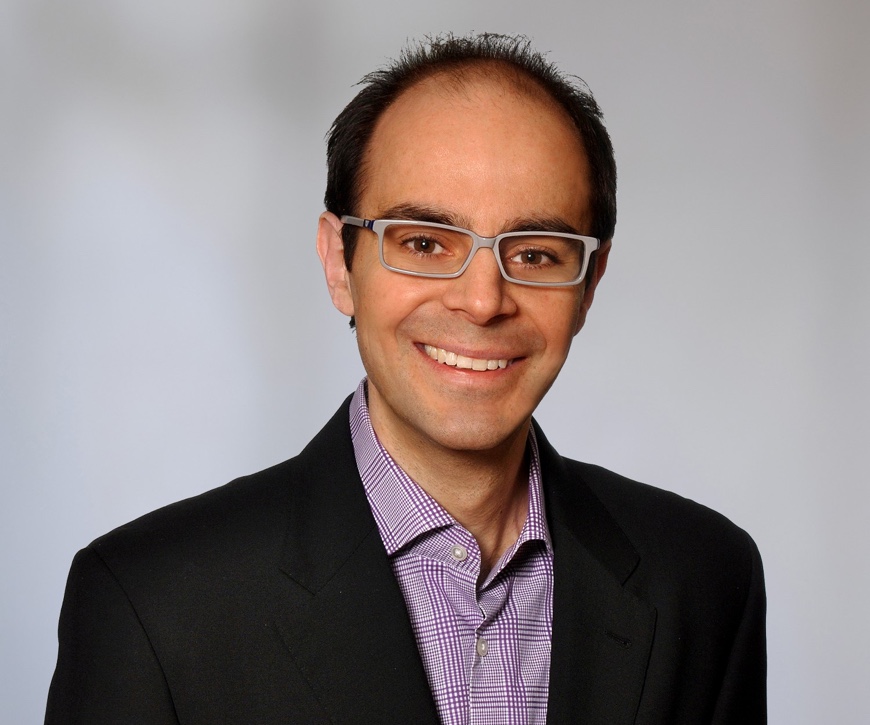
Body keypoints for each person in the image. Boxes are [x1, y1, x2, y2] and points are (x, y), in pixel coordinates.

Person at [45, 33, 766, 724]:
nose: (482, 301)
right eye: (423, 243)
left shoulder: (702, 579)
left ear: (589, 283)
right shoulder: (151, 604)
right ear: (340, 264)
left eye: (536, 254)